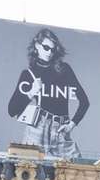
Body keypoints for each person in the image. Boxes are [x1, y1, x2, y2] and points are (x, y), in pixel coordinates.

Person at [7, 27, 89, 158]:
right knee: (29, 172)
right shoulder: (29, 74)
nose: (49, 52)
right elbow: (12, 110)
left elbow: (85, 102)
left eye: (52, 49)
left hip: (61, 128)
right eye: (46, 47)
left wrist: (72, 125)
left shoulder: (64, 69)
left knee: (77, 170)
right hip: (38, 127)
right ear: (37, 45)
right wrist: (31, 92)